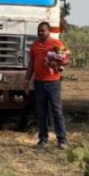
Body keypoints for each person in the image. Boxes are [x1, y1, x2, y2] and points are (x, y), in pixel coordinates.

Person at [24, 22, 67, 150]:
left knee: (56, 111)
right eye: (39, 31)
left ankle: (62, 140)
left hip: (53, 82)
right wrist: (27, 79)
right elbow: (32, 63)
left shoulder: (57, 44)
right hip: (39, 82)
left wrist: (57, 63)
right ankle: (43, 139)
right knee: (41, 112)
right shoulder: (34, 46)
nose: (41, 33)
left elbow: (65, 60)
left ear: (49, 31)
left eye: (43, 31)